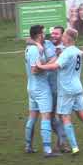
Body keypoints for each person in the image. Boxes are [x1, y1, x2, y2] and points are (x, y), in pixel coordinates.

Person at [36, 28, 83, 155]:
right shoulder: (76, 51)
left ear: (68, 39)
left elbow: (55, 66)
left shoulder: (66, 53)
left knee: (64, 117)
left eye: (63, 35)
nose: (62, 37)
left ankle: (74, 147)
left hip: (66, 89)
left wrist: (40, 66)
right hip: (77, 87)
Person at [24, 25, 61, 157]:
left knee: (32, 117)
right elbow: (35, 69)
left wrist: (51, 60)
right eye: (43, 33)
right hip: (41, 88)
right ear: (39, 35)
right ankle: (47, 150)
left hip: (31, 87)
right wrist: (49, 66)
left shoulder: (29, 48)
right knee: (46, 117)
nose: (44, 35)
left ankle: (28, 146)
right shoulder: (35, 50)